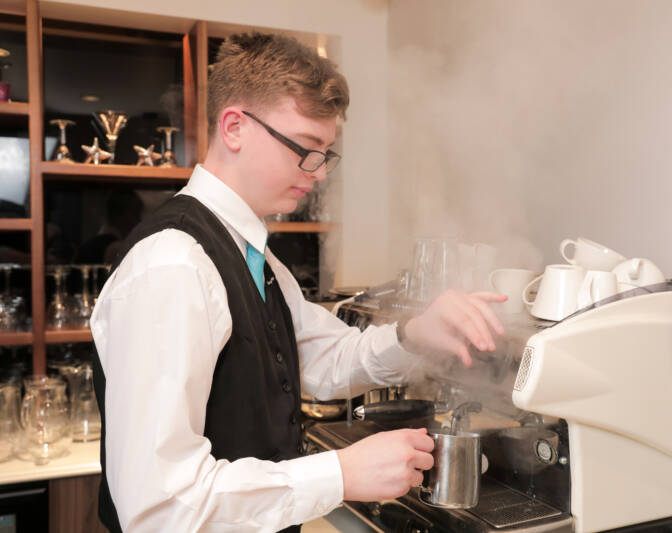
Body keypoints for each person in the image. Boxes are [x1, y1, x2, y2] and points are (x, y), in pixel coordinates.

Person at [90, 32, 506, 533]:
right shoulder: (174, 266)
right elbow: (161, 508)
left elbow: (324, 361)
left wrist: (414, 334)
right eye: (305, 149)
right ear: (235, 127)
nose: (318, 173)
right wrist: (339, 474)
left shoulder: (255, 258)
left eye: (326, 154)